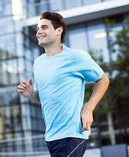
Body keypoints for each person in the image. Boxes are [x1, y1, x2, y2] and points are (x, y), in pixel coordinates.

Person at [17, 11, 109, 157]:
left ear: (58, 30)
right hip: (52, 137)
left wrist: (88, 108)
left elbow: (103, 80)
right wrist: (30, 94)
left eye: (44, 27)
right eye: (38, 28)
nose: (39, 31)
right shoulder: (38, 63)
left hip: (73, 134)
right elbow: (43, 98)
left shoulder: (76, 57)